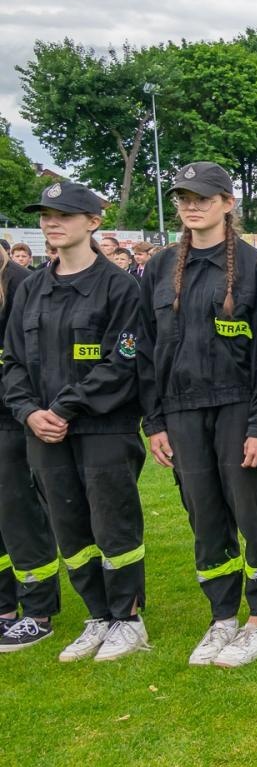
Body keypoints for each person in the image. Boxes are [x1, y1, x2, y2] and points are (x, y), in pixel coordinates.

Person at [142, 162, 257, 668]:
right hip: (181, 413)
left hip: (239, 409)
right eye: (183, 197)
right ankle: (222, 616)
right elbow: (146, 351)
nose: (191, 205)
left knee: (255, 516)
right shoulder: (161, 267)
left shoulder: (255, 268)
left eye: (202, 197)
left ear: (228, 204)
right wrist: (154, 422)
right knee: (205, 518)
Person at [0, 180, 154, 662]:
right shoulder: (33, 287)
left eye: (63, 214)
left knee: (114, 527)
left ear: (93, 222)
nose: (51, 222)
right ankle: (97, 615)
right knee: (70, 529)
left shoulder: (119, 286)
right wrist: (29, 412)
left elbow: (122, 361)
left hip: (102, 428)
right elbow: (13, 363)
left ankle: (127, 618)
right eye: (45, 214)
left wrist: (65, 407)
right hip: (44, 431)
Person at [0, 234, 57, 652]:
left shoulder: (21, 282)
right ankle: (4, 608)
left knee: (18, 513)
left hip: (12, 417)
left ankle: (37, 610)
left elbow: (24, 357)